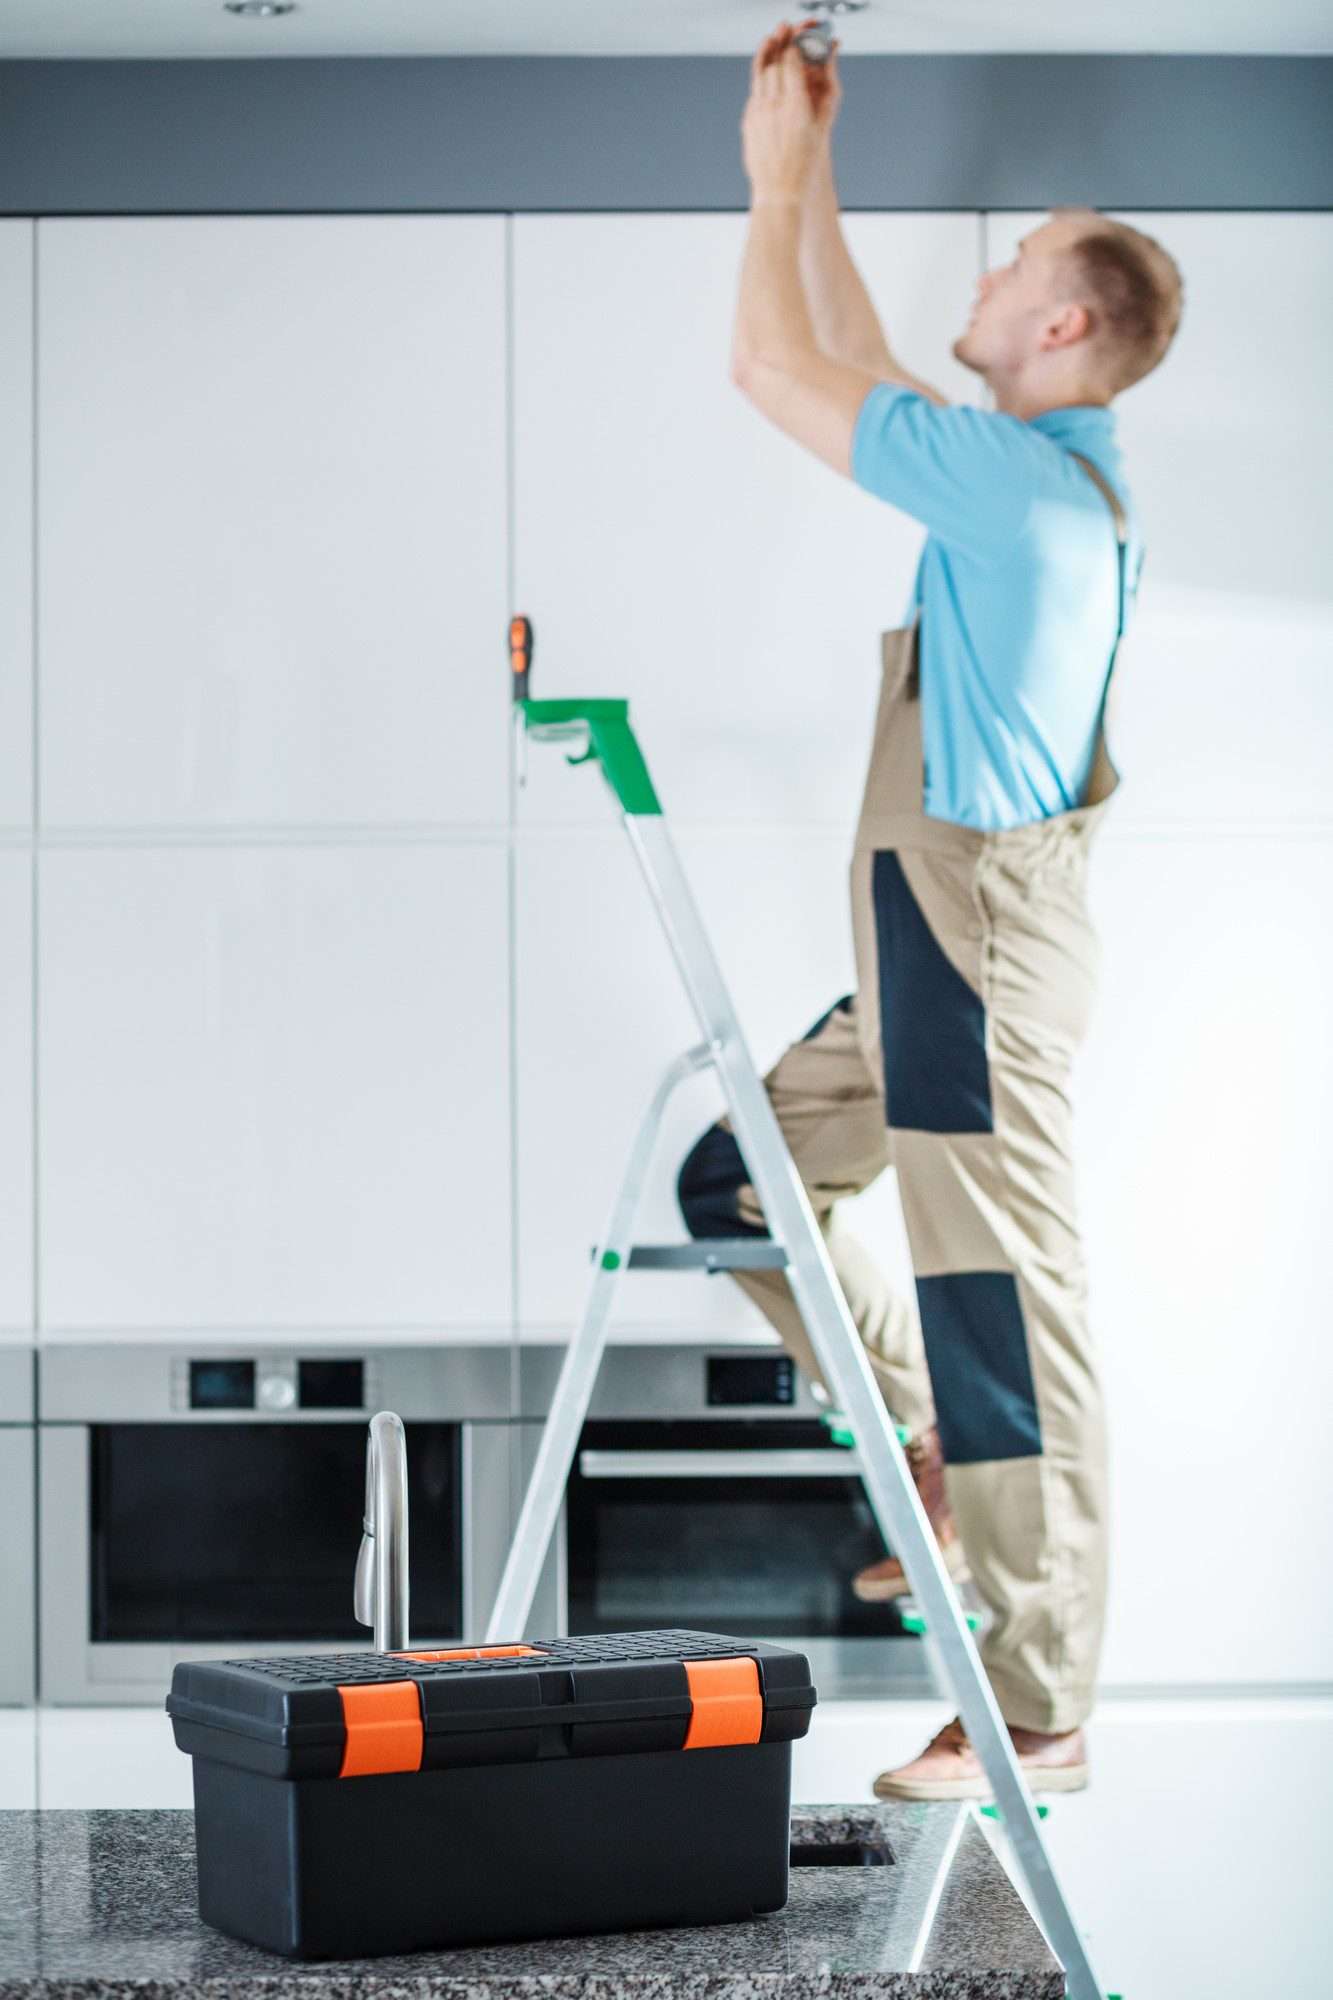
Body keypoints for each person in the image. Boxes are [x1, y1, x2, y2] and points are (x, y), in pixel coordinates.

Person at [676, 21, 1182, 1800]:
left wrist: (762, 175)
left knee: (1001, 1309)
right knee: (741, 1180)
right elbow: (853, 360)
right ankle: (934, 1463)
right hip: (930, 930)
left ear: (1063, 327)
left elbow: (769, 364)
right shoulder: (1022, 483)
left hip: (967, 936)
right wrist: (807, 153)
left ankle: (1037, 1716)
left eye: (1014, 265)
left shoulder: (1025, 491)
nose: (983, 277)